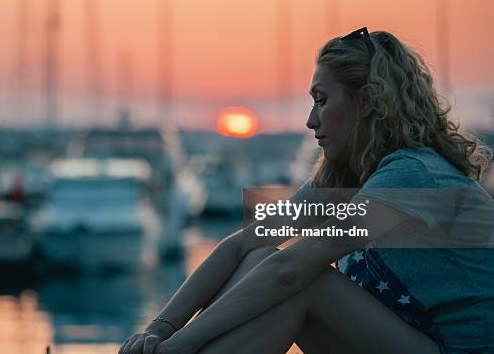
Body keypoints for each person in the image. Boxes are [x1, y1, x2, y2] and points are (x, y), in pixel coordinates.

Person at [118, 28, 493, 354]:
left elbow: (291, 272)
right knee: (258, 256)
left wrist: (179, 346)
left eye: (322, 100)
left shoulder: (413, 174)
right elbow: (239, 246)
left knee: (309, 283)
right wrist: (159, 330)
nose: (311, 120)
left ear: (365, 102)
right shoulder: (347, 178)